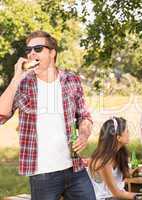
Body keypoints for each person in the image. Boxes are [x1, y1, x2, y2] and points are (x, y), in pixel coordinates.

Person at [0, 31, 95, 200]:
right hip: (43, 175)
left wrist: (83, 134)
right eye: (29, 50)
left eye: (38, 48)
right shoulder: (24, 83)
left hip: (74, 169)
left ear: (52, 53)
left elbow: (85, 116)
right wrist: (16, 77)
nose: (31, 53)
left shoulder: (71, 79)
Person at [88, 117, 138, 200]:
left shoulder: (119, 155)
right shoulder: (103, 161)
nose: (129, 133)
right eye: (127, 131)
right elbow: (117, 193)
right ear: (118, 137)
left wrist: (136, 169)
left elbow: (119, 178)